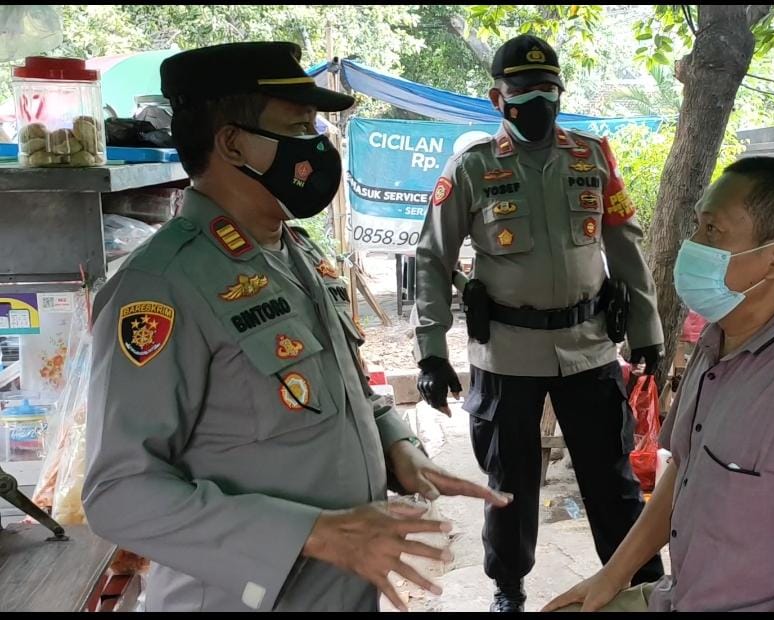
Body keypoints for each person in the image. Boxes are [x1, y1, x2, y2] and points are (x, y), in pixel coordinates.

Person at [81, 41, 509, 613]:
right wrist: (317, 532)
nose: (318, 145)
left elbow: (341, 391)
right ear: (232, 143)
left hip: (340, 594)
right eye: (300, 126)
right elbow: (118, 494)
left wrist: (398, 449)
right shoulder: (164, 284)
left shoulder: (293, 252)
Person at [544, 156, 774, 612]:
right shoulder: (716, 341)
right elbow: (686, 469)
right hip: (679, 598)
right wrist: (612, 575)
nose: (693, 245)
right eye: (697, 227)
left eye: (712, 231)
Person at [412, 34, 665, 612]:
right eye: (522, 91)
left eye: (546, 89)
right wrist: (431, 352)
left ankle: (642, 583)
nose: (536, 102)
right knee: (510, 484)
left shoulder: (593, 159)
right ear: (498, 99)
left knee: (611, 479)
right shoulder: (473, 168)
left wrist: (647, 331)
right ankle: (508, 588)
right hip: (507, 354)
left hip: (589, 347)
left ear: (560, 92)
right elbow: (433, 257)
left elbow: (625, 245)